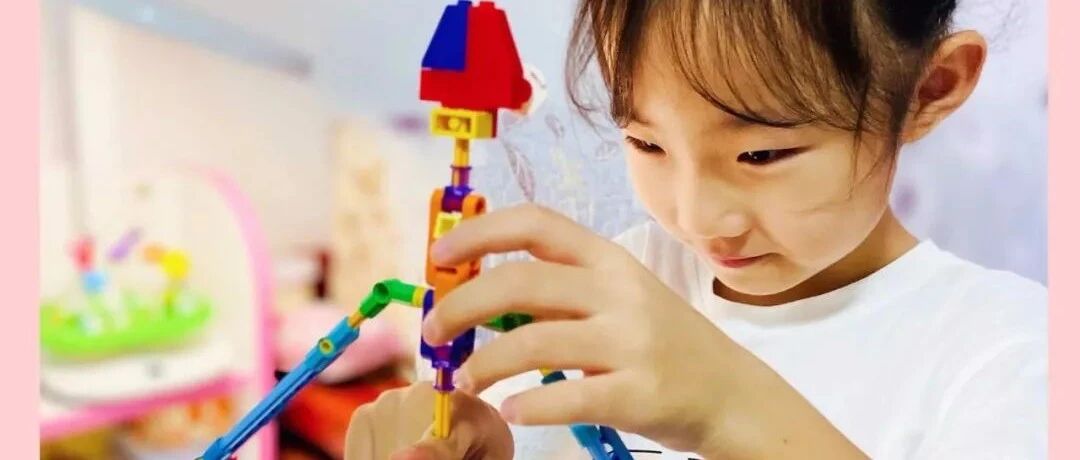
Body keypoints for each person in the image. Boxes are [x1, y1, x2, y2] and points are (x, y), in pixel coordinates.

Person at [346, 0, 1047, 458]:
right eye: (646, 144)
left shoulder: (1013, 354)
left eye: (762, 155)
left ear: (929, 90)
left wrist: (727, 407)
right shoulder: (617, 294)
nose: (697, 218)